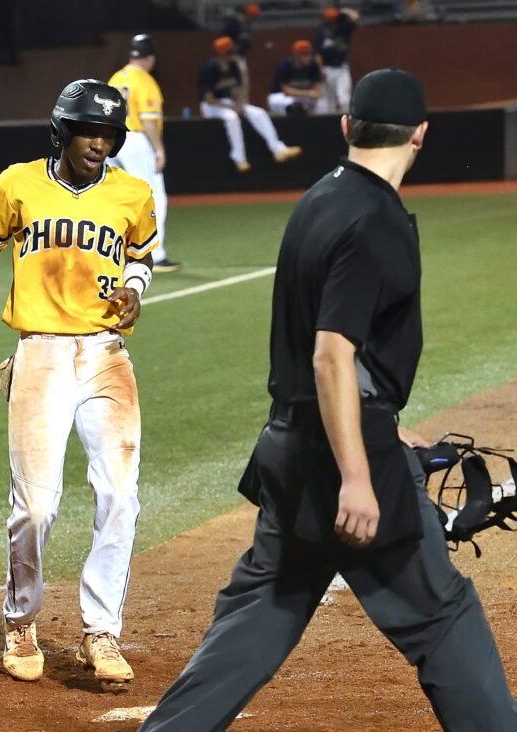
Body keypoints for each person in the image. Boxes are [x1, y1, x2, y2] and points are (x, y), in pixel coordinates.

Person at [139, 68, 517, 732]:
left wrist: (382, 426)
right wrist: (358, 474)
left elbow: (333, 354)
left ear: (346, 128)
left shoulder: (318, 199)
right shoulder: (378, 219)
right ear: (422, 136)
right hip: (342, 459)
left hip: (287, 448)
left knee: (260, 616)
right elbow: (331, 353)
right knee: (442, 614)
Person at [0, 79, 156, 692]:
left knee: (120, 494)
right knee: (37, 505)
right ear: (63, 132)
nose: (98, 143)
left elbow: (142, 258)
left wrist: (135, 289)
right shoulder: (17, 182)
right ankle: (20, 622)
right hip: (40, 355)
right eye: (88, 132)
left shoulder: (133, 192)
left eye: (108, 134)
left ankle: (101, 632)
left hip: (105, 357)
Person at [108, 33, 180, 272]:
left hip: (112, 138)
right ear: (151, 57)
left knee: (117, 198)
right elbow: (148, 120)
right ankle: (154, 255)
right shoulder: (145, 81)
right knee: (153, 196)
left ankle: (112, 252)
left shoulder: (116, 78)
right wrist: (159, 148)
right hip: (136, 140)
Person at [199, 37, 302, 173]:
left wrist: (240, 104)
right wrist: (234, 108)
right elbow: (209, 98)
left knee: (259, 113)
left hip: (229, 102)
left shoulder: (234, 66)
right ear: (222, 54)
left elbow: (237, 90)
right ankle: (239, 160)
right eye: (230, 52)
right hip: (210, 106)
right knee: (232, 118)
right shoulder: (209, 69)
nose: (234, 55)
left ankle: (278, 149)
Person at [315, 6, 360, 114]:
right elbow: (317, 54)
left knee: (344, 99)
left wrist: (343, 11)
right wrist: (320, 68)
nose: (332, 22)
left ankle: (346, 122)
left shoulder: (344, 30)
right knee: (329, 100)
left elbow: (356, 17)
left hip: (341, 68)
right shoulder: (322, 35)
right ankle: (330, 125)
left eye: (334, 19)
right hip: (328, 69)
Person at [267, 40, 327, 117]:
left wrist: (312, 93)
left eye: (309, 54)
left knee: (321, 102)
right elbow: (287, 91)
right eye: (304, 54)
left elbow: (316, 88)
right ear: (296, 55)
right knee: (283, 102)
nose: (308, 57)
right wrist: (309, 93)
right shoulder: (284, 66)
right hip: (283, 97)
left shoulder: (313, 66)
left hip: (303, 97)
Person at [220, 3, 261, 99]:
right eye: (252, 16)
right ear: (247, 14)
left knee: (244, 82)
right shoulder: (233, 24)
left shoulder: (247, 26)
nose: (253, 19)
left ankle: (243, 104)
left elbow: (246, 43)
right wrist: (230, 54)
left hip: (241, 57)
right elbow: (224, 41)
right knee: (231, 82)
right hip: (230, 58)